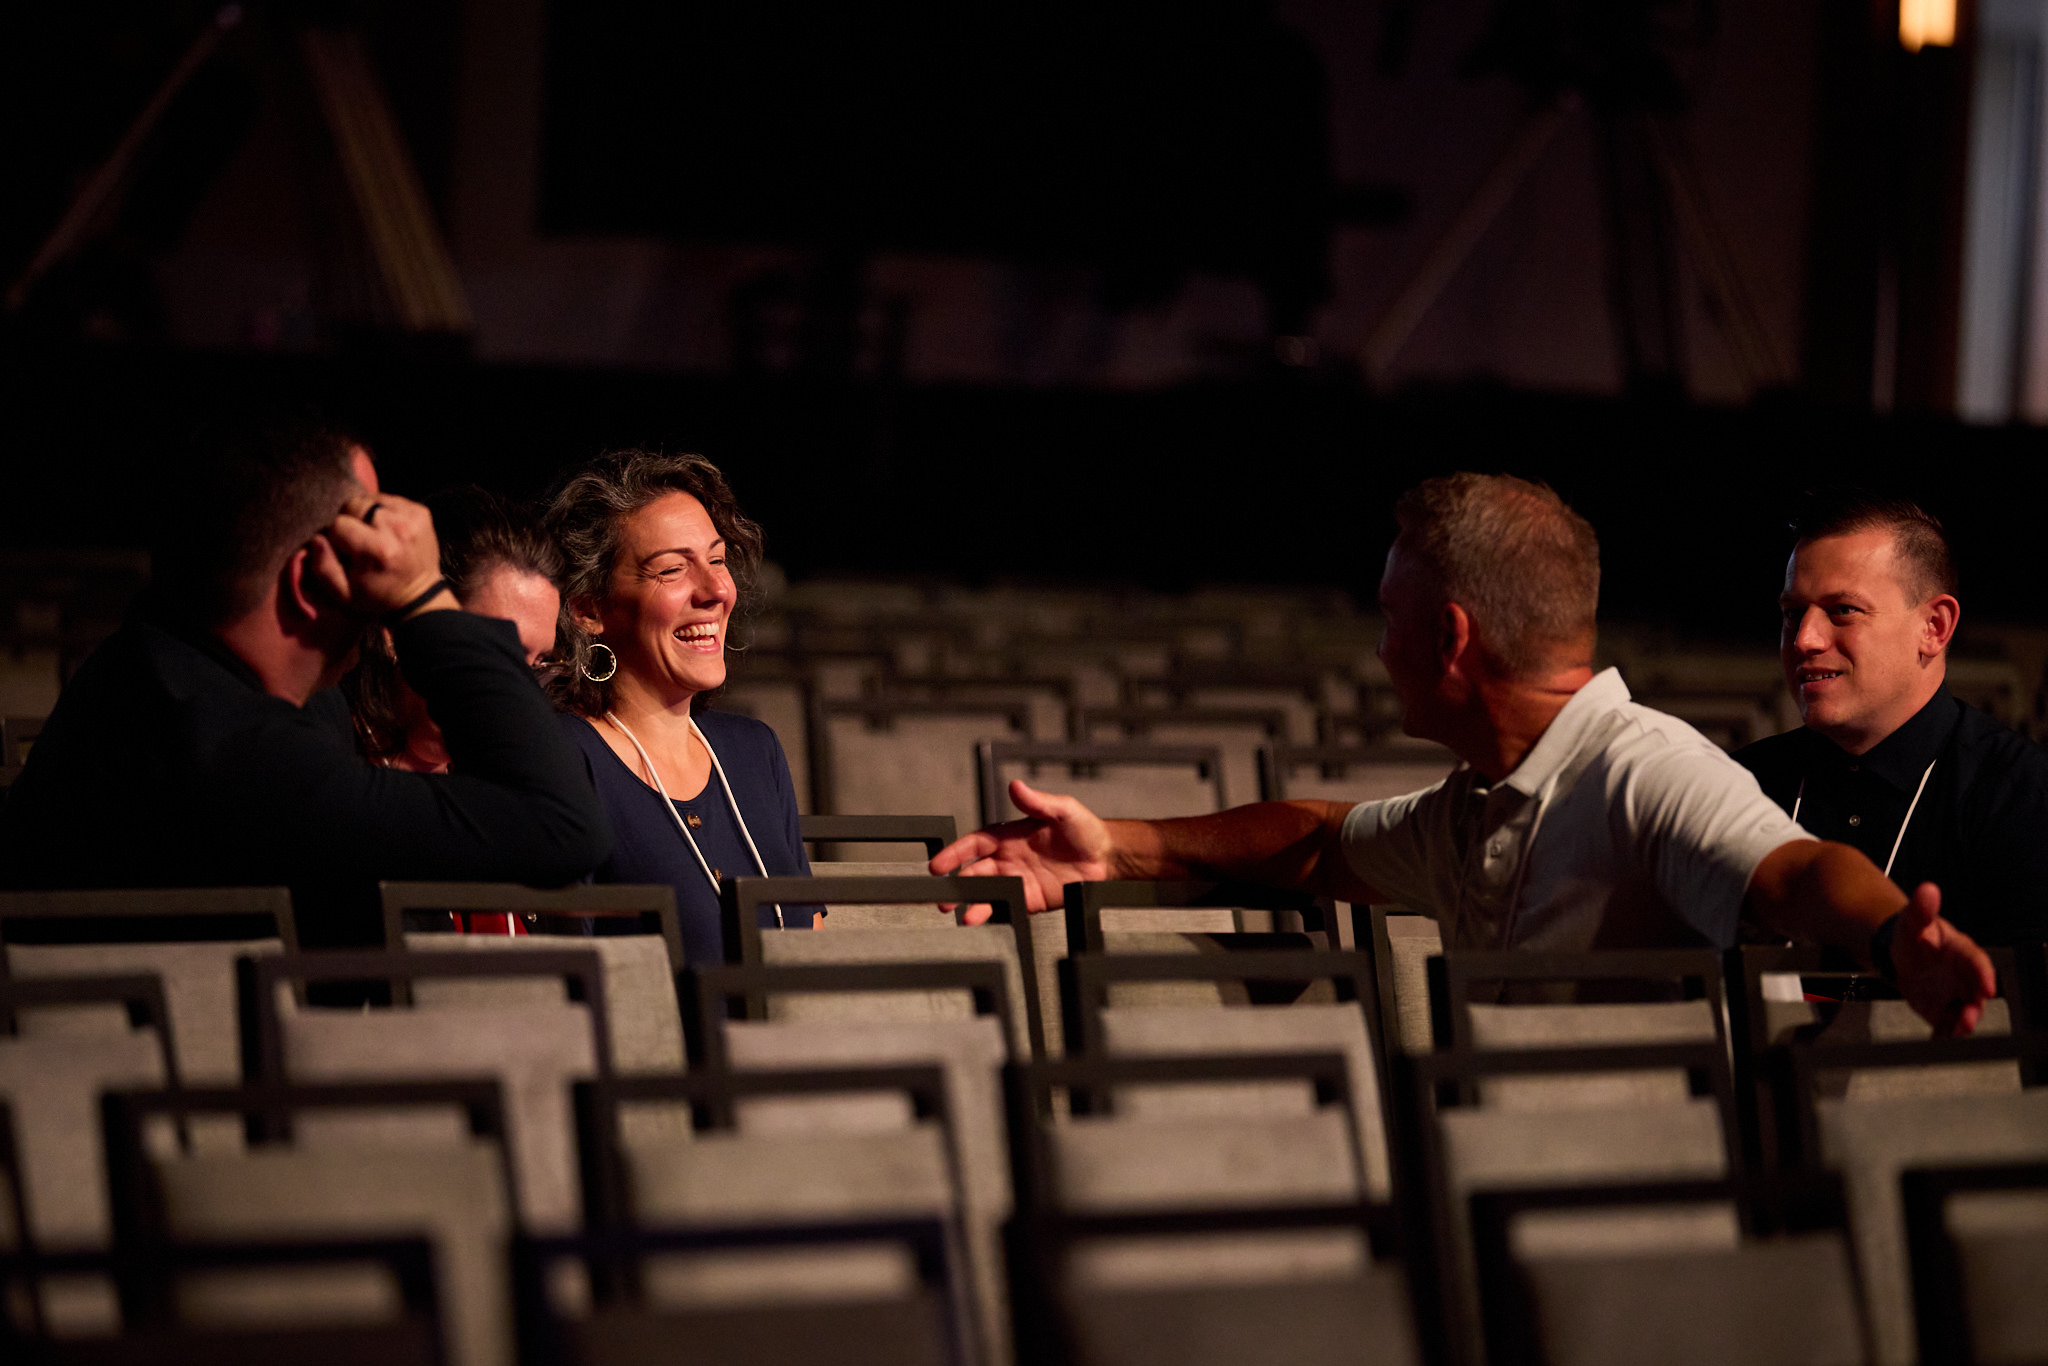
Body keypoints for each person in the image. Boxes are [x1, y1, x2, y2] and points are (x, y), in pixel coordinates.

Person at [933, 473, 1997, 1036]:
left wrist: (1893, 936)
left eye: (1391, 617)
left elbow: (1794, 868)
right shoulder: (1479, 797)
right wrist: (1113, 847)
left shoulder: (1643, 771)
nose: (1377, 648)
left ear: (1447, 639)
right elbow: (1317, 847)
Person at [0, 417, 612, 947]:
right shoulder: (223, 747)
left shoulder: (185, 675)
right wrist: (421, 598)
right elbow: (561, 827)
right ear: (309, 574)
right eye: (366, 548)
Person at [1735, 489, 2048, 947]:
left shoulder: (2023, 797)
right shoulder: (1740, 784)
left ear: (1934, 627)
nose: (1804, 639)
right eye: (1792, 613)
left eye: (1843, 610)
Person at [545, 449, 811, 966]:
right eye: (671, 569)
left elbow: (812, 940)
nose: (715, 590)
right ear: (588, 609)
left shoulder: (755, 751)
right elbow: (567, 988)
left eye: (715, 560)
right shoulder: (565, 759)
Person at [345, 485, 564, 773]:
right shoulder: (321, 756)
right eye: (498, 654)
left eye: (537, 666)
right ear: (398, 628)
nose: (517, 698)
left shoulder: (503, 788)